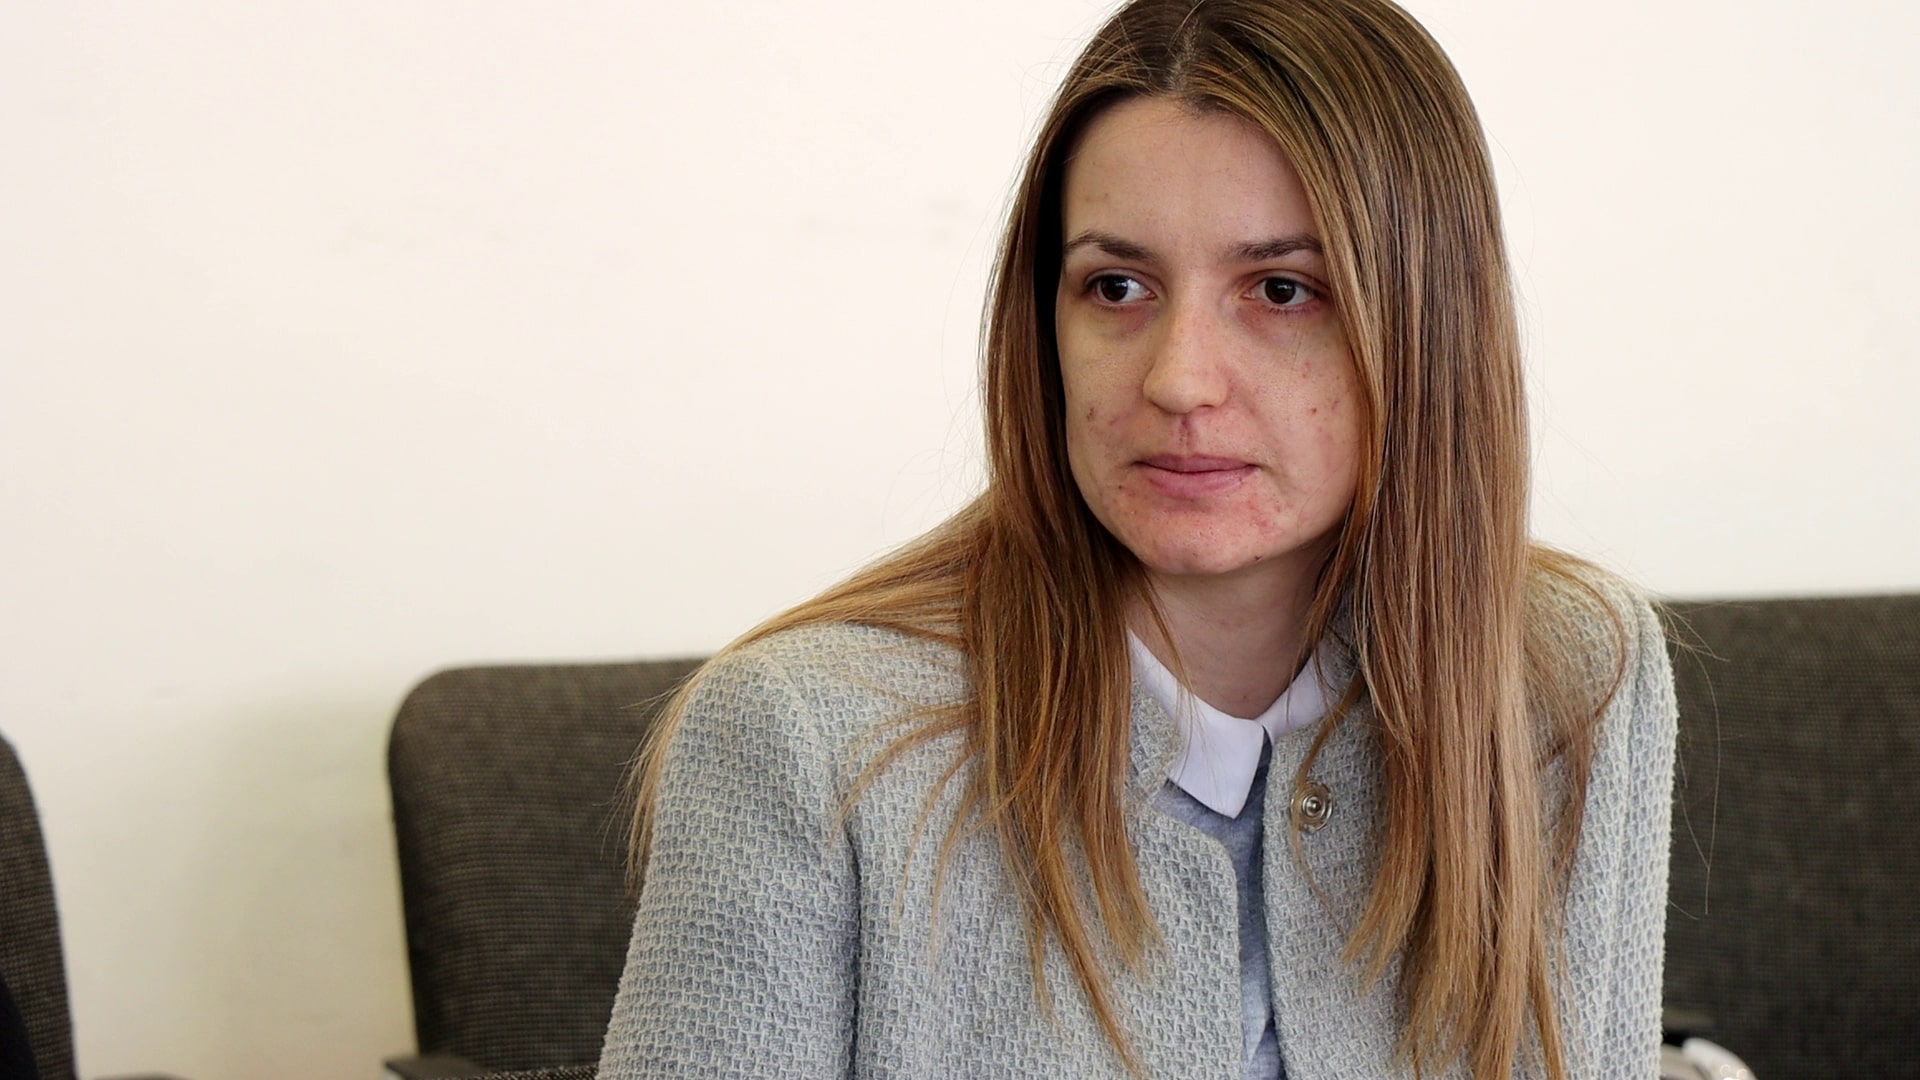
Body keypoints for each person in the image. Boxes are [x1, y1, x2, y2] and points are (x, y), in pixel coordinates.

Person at [598, 0, 1678, 1076]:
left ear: (1428, 325)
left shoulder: (1576, 676)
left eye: (1282, 290)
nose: (1178, 379)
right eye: (1116, 287)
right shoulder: (801, 740)